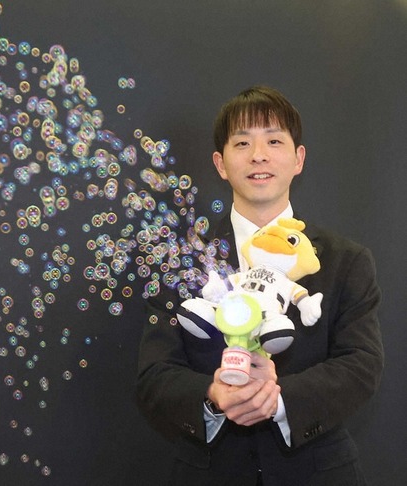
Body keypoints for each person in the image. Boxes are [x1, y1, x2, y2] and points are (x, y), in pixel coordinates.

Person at [135, 85, 384, 485]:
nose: (258, 155)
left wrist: (278, 400)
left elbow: (361, 363)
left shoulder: (346, 260)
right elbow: (155, 373)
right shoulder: (182, 262)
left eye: (274, 140)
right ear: (220, 164)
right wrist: (213, 396)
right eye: (242, 143)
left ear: (298, 158)